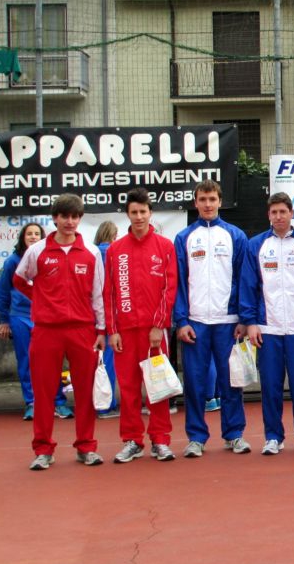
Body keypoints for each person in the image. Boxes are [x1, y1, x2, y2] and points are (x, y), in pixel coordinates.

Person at [14, 194, 106, 470]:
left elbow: (98, 294)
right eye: (64, 216)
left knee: (85, 391)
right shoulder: (37, 250)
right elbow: (19, 279)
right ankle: (43, 450)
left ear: (80, 219)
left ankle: (86, 447)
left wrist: (101, 329)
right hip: (46, 330)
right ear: (55, 218)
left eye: (74, 217)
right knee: (43, 392)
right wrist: (40, 300)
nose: (69, 221)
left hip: (82, 329)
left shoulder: (91, 252)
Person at [241, 192, 294, 455]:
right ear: (268, 215)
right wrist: (251, 322)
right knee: (270, 386)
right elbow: (248, 285)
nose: (278, 216)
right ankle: (273, 437)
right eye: (274, 212)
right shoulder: (256, 245)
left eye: (283, 211)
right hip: (268, 329)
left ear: (291, 213)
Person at [174, 179, 250, 457]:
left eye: (212, 199)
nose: (207, 204)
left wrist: (243, 318)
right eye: (203, 199)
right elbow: (178, 282)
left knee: (231, 380)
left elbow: (245, 278)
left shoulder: (235, 236)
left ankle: (234, 434)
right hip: (195, 322)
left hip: (228, 322)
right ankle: (196, 438)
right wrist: (181, 320)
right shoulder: (184, 237)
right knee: (195, 382)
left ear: (220, 201)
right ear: (195, 203)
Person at [104, 188, 178, 462]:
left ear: (150, 213)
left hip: (154, 332)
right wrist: (112, 330)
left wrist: (159, 326)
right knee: (128, 388)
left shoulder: (165, 246)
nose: (138, 217)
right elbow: (109, 292)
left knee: (158, 387)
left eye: (143, 212)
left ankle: (160, 440)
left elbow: (170, 288)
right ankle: (132, 440)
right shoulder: (115, 250)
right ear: (127, 214)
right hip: (125, 332)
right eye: (134, 212)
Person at [0, 223, 70, 420]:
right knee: (26, 360)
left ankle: (58, 402)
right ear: (23, 237)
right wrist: (3, 320)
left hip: (46, 317)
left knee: (53, 360)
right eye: (29, 233)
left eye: (36, 234)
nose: (32, 236)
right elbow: (3, 292)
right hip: (21, 317)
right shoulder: (13, 261)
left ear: (42, 237)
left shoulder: (48, 257)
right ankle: (32, 402)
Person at [93, 221, 120, 418]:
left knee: (98, 360)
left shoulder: (93, 252)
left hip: (93, 313)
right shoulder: (113, 252)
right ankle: (105, 405)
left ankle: (101, 403)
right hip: (111, 312)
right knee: (108, 360)